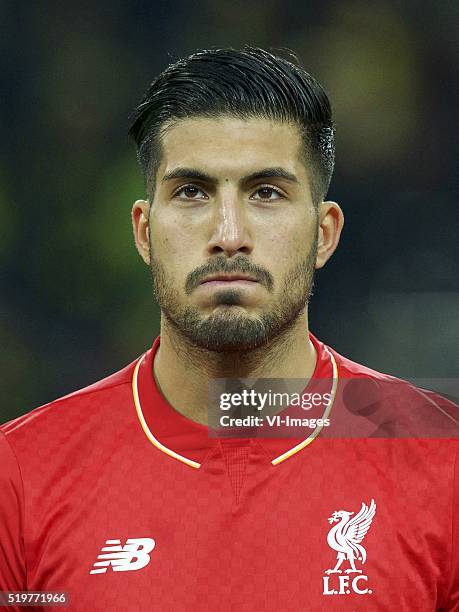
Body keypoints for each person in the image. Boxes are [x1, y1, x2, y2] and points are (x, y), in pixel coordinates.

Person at [0, 46, 458, 611]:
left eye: (266, 193)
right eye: (191, 192)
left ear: (324, 233)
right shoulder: (20, 475)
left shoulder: (443, 463)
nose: (228, 233)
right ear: (144, 231)